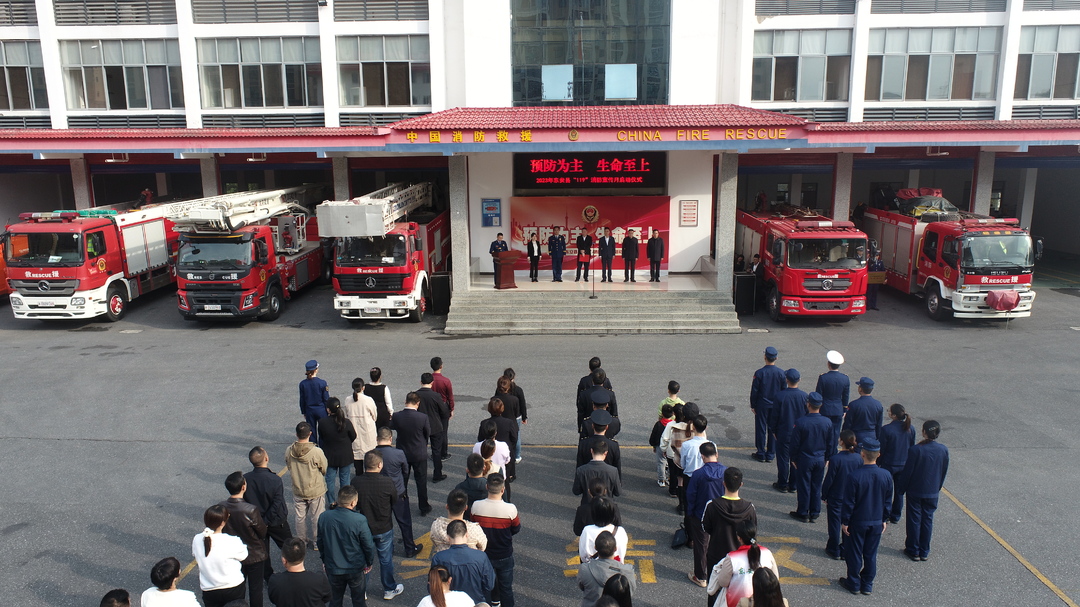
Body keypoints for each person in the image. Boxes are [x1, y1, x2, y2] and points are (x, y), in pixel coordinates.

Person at [838, 437, 893, 596]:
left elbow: (849, 502)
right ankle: (867, 584)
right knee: (870, 554)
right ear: (879, 455)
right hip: (876, 521)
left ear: (862, 454)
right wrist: (884, 518)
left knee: (854, 552)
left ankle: (853, 582)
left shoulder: (854, 476)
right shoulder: (886, 475)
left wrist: (845, 521)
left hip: (858, 521)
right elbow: (888, 500)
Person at [350, 451, 404, 600]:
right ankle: (389, 589)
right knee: (386, 560)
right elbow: (394, 500)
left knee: (364, 560)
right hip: (384, 527)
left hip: (364, 527)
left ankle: (362, 590)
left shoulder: (356, 482)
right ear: (380, 465)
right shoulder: (387, 482)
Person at [897, 419, 949, 562]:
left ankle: (913, 549)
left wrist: (901, 489)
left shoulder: (916, 450)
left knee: (914, 519)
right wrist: (937, 487)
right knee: (927, 519)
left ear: (924, 432)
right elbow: (943, 471)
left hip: (916, 489)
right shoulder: (943, 450)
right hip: (932, 490)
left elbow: (908, 472)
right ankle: (924, 550)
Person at [317, 485, 377, 607]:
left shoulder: (324, 517)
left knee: (335, 600)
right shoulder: (359, 520)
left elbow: (320, 542)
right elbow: (368, 545)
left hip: (333, 567)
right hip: (355, 568)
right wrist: (369, 562)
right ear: (353, 502)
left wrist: (324, 560)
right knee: (358, 600)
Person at [470, 475, 521, 607]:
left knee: (486, 588)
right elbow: (516, 529)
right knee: (506, 589)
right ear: (503, 490)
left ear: (487, 487)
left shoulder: (476, 506)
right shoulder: (511, 509)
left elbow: (473, 525)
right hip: (504, 554)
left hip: (484, 554)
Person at [219, 471, 268, 607]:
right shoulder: (250, 509)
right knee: (256, 589)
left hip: (233, 555)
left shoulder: (222, 507)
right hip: (255, 555)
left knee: (238, 589)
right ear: (243, 487)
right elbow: (262, 532)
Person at [245, 446, 293, 581]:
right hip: (276, 521)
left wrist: (261, 522)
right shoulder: (275, 479)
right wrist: (266, 520)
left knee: (263, 551)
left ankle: (268, 577)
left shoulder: (246, 479)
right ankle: (293, 570)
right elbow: (277, 503)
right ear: (266, 458)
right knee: (289, 546)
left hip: (257, 522)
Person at [705, 521, 779, 607]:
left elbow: (723, 582)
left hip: (736, 602)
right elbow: (775, 577)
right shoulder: (767, 552)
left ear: (739, 538)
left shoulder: (732, 558)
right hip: (763, 601)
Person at [702, 467, 757, 578]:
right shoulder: (749, 508)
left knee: (715, 589)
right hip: (740, 557)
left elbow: (705, 528)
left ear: (724, 483)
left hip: (716, 555)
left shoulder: (712, 505)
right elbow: (753, 530)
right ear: (741, 484)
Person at [686, 442, 727, 588]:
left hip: (700, 514)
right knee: (720, 544)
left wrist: (690, 513)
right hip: (721, 514)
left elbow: (691, 496)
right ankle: (721, 572)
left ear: (702, 457)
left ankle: (701, 576)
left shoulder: (698, 474)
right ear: (717, 454)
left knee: (701, 546)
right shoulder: (725, 472)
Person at [374, 427, 418, 557]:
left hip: (380, 493)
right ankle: (410, 548)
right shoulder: (398, 453)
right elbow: (405, 471)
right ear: (390, 439)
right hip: (398, 492)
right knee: (404, 522)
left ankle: (387, 548)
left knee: (384, 522)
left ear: (377, 439)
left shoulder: (371, 455)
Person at [788, 392, 831, 523]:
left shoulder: (801, 422)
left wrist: (793, 458)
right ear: (821, 405)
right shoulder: (827, 422)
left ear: (808, 404)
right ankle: (815, 511)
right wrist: (828, 457)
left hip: (805, 458)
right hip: (820, 458)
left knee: (804, 486)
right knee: (816, 485)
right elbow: (831, 442)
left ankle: (803, 511)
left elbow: (795, 443)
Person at [193, 505, 248, 607]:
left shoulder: (197, 539)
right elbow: (244, 556)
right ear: (223, 522)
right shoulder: (232, 540)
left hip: (209, 589)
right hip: (233, 587)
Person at [285, 422, 328, 551]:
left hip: (298, 488)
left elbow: (288, 466)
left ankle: (301, 540)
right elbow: (324, 467)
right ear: (310, 433)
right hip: (315, 489)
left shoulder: (289, 450)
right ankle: (316, 541)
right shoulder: (316, 451)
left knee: (300, 517)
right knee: (316, 517)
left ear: (296, 434)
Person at [431, 520, 496, 605]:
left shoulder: (438, 558)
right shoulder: (481, 556)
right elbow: (489, 585)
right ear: (466, 535)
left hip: (449, 603)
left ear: (448, 538)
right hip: (476, 602)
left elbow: (433, 586)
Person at [390, 391, 433, 516]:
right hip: (419, 453)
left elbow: (392, 426)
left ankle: (402, 504)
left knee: (403, 481)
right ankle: (424, 507)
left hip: (402, 452)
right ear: (417, 403)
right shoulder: (422, 417)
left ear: (405, 401)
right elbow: (427, 433)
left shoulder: (397, 416)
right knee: (421, 481)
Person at [822, 430, 862, 560]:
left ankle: (834, 548)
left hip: (836, 495)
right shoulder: (858, 458)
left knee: (834, 523)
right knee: (848, 522)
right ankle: (845, 548)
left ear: (842, 442)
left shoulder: (836, 459)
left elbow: (830, 479)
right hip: (852, 496)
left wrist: (824, 494)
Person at [768, 368, 806, 493]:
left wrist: (773, 429)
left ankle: (783, 483)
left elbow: (775, 416)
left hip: (784, 431)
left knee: (783, 459)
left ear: (786, 380)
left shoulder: (780, 396)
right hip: (799, 433)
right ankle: (793, 484)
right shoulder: (804, 396)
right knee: (795, 459)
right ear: (799, 380)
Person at [879, 404, 916, 523]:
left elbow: (882, 449)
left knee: (886, 491)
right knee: (899, 492)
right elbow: (912, 447)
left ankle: (884, 513)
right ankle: (896, 515)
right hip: (904, 464)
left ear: (893, 415)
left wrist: (878, 462)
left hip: (889, 464)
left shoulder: (886, 429)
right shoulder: (910, 428)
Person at [267, 538, 332, 607]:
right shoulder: (319, 579)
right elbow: (327, 597)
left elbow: (273, 599)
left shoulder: (275, 581)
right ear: (303, 556)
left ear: (284, 560)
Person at [577, 531, 635, 607]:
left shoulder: (585, 569)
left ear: (595, 548)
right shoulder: (628, 571)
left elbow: (581, 586)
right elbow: (629, 592)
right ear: (615, 549)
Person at [319, 398, 357, 507]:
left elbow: (321, 437)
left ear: (328, 410)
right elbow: (353, 436)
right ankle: (345, 502)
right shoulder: (346, 422)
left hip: (330, 456)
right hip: (345, 455)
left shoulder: (322, 422)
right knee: (345, 479)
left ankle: (331, 501)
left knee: (329, 480)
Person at [750, 347, 785, 463]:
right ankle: (770, 453)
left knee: (761, 428)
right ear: (776, 358)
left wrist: (753, 405)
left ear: (765, 357)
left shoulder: (760, 373)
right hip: (775, 405)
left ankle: (761, 452)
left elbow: (755, 390)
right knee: (773, 429)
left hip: (762, 405)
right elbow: (783, 391)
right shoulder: (781, 373)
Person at [815, 350, 850, 459]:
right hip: (837, 409)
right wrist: (844, 409)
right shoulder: (845, 378)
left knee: (823, 432)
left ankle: (823, 451)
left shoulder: (823, 378)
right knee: (835, 433)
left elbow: (818, 394)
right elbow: (845, 396)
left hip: (825, 408)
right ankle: (832, 453)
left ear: (829, 364)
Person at [431, 488, 488, 553]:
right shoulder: (475, 529)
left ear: (447, 506)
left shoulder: (436, 525)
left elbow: (434, 541)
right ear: (466, 508)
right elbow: (482, 547)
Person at [416, 373, 449, 483]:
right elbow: (444, 411)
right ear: (432, 383)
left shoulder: (416, 395)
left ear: (421, 382)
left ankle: (421, 473)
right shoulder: (436, 396)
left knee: (421, 450)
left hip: (421, 426)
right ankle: (437, 474)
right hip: (435, 425)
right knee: (436, 451)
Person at [343, 378, 378, 476]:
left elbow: (347, 414)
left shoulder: (348, 400)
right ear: (363, 388)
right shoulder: (368, 400)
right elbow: (375, 416)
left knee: (357, 461)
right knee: (370, 460)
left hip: (355, 432)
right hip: (368, 433)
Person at [578, 497, 628, 563]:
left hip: (592, 569)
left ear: (594, 513)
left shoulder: (587, 530)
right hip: (616, 568)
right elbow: (622, 553)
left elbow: (583, 555)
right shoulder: (620, 531)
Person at [573, 440, 621, 505]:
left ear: (591, 451)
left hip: (587, 506)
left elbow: (576, 491)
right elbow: (617, 492)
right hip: (607, 507)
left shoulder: (581, 470)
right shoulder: (613, 471)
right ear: (606, 453)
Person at [576, 409, 621, 477]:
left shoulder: (583, 443)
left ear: (592, 426)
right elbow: (617, 468)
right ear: (607, 427)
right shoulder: (613, 445)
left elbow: (579, 467)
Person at [843, 377, 884, 447]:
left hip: (857, 436)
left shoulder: (854, 404)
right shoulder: (878, 405)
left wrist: (845, 436)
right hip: (872, 435)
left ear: (860, 389)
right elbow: (879, 424)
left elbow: (848, 423)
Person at [578, 369, 619, 436]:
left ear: (592, 380)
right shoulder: (610, 394)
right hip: (605, 427)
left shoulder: (584, 394)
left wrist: (580, 428)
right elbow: (614, 414)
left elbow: (581, 413)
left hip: (588, 426)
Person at [430, 357, 456, 461]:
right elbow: (450, 396)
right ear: (441, 366)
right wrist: (451, 408)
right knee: (443, 430)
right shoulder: (446, 381)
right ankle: (443, 453)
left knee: (433, 430)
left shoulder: (429, 379)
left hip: (432, 407)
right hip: (443, 406)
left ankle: (435, 452)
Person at [299, 360, 329, 446]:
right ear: (316, 370)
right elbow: (326, 398)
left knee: (311, 430)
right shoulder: (322, 383)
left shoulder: (303, 384)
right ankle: (323, 447)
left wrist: (303, 411)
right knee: (323, 429)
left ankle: (313, 446)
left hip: (309, 410)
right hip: (321, 409)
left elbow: (302, 399)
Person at [503, 368, 528, 463]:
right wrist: (524, 417)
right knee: (516, 436)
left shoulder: (502, 389)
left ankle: (506, 454)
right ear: (514, 377)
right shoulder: (518, 390)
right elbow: (523, 404)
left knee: (505, 436)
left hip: (504, 416)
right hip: (516, 416)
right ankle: (517, 456)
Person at [649, 404, 675, 487]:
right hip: (671, 448)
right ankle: (670, 478)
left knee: (661, 463)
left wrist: (654, 445)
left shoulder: (658, 424)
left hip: (660, 446)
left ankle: (661, 480)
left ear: (662, 414)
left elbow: (653, 436)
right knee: (671, 463)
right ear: (673, 414)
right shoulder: (673, 425)